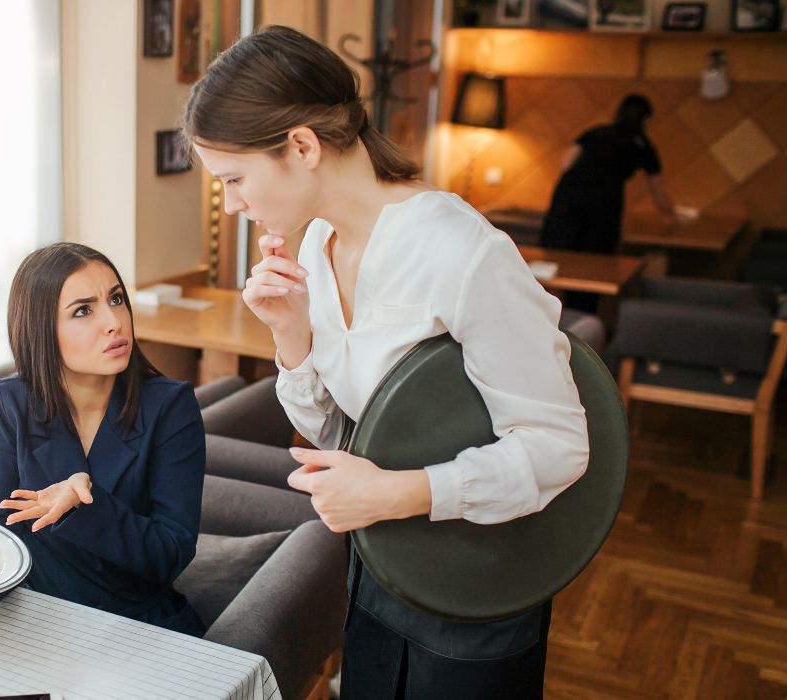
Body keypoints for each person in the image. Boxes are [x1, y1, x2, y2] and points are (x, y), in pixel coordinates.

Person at [183, 26, 590, 698]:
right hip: (380, 560)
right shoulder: (314, 246)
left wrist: (398, 492)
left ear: (302, 147)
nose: (233, 202)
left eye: (234, 178)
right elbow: (339, 436)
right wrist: (290, 335)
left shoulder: (460, 252)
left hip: (475, 570)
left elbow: (558, 447)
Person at [0, 242, 207, 637]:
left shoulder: (171, 406)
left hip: (137, 625)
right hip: (38, 619)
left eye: (116, 299)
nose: (114, 321)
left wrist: (83, 508)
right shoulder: (11, 402)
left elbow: (169, 555)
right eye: (83, 310)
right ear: (41, 330)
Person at [540, 93, 691, 310]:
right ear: (645, 119)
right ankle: (585, 318)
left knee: (555, 260)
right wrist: (673, 214)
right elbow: (658, 193)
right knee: (594, 265)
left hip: (568, 195)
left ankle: (554, 318)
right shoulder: (642, 145)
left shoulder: (596, 132)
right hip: (604, 200)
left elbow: (566, 163)